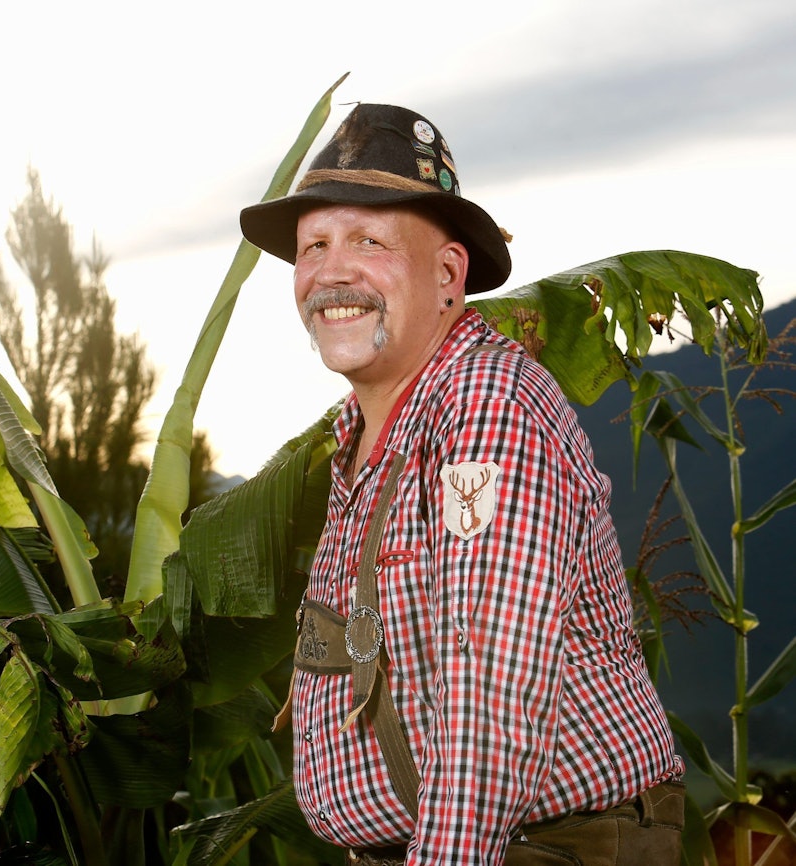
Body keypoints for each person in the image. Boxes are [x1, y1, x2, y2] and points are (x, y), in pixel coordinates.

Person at [239, 104, 685, 865]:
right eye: (313, 246)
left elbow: (491, 683)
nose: (330, 271)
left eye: (368, 242)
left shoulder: (483, 406)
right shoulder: (364, 434)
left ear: (447, 275)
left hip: (536, 846)